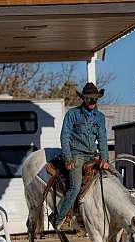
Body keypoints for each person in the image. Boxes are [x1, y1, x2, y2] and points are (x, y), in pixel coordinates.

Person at [53, 82, 109, 230]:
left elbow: (102, 137)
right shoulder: (72, 114)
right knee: (75, 187)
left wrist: (105, 158)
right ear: (83, 99)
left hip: (92, 154)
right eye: (89, 99)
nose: (92, 102)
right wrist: (68, 158)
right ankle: (58, 216)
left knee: (115, 176)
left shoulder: (100, 117)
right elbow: (65, 136)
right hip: (76, 154)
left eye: (95, 99)